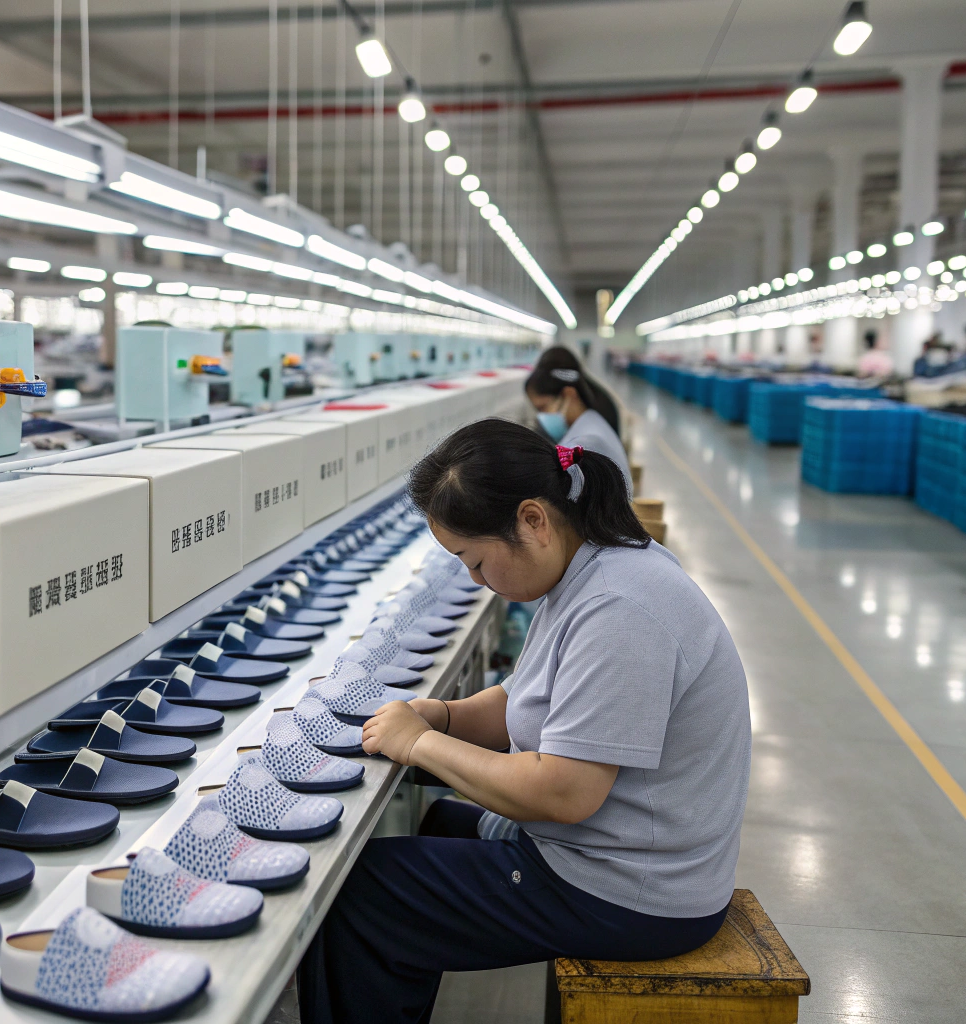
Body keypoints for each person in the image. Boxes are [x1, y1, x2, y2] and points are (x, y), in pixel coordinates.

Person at [298, 419, 752, 1024]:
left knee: (358, 898)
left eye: (476, 560)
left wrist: (422, 744)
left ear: (532, 520)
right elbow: (527, 698)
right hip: (623, 855)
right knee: (441, 825)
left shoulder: (620, 608)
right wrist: (445, 717)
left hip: (633, 891)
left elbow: (564, 793)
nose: (475, 580)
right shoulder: (593, 568)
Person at [524, 347, 631, 496]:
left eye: (542, 408)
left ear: (569, 394)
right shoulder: (592, 419)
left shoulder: (583, 446)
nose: (541, 417)